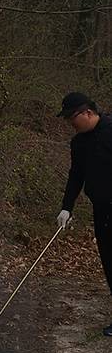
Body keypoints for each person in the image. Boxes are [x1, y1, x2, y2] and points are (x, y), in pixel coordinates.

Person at [57, 91, 112, 336]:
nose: (71, 123)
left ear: (88, 112)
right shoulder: (78, 143)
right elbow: (76, 175)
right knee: (109, 263)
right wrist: (66, 207)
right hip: (102, 211)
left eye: (72, 118)